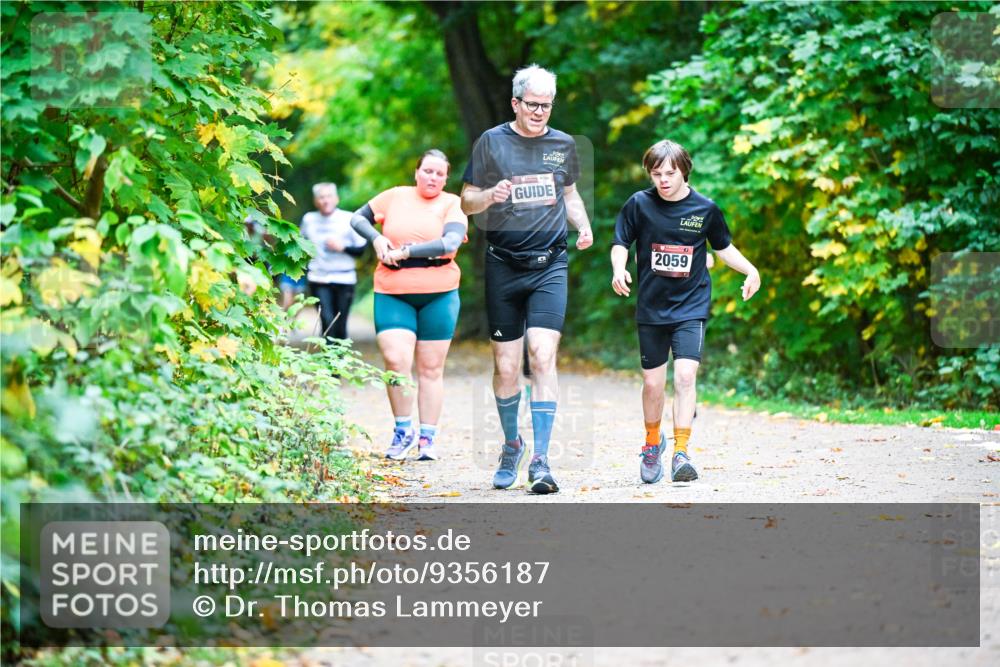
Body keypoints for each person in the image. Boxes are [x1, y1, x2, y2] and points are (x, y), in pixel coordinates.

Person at [461, 65, 593, 494]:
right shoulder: (491, 142)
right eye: (533, 104)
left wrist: (584, 226)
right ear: (515, 103)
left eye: (547, 105)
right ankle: (511, 445)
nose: (540, 112)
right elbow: (465, 201)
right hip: (503, 264)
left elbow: (569, 193)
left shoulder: (563, 144)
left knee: (542, 355)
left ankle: (541, 460)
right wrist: (489, 195)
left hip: (550, 264)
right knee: (506, 366)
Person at [611, 139, 760, 484]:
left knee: (685, 377)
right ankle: (652, 444)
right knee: (652, 385)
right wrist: (619, 269)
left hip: (691, 306)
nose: (662, 180)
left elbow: (723, 248)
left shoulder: (705, 209)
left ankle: (681, 451)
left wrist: (751, 270)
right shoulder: (639, 205)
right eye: (656, 173)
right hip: (651, 307)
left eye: (669, 173)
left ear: (684, 172)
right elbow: (620, 242)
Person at [351, 150, 468, 462]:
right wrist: (377, 241)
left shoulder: (451, 203)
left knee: (431, 368)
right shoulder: (395, 196)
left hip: (439, 294)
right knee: (395, 360)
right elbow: (357, 218)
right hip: (392, 291)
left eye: (439, 174)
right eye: (427, 171)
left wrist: (405, 251)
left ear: (446, 178)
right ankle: (403, 430)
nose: (432, 178)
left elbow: (450, 243)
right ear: (417, 172)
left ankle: (427, 437)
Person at [300, 183, 367, 343]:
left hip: (344, 278)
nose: (325, 200)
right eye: (321, 197)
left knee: (341, 325)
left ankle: (339, 361)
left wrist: (342, 247)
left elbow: (361, 250)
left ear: (336, 199)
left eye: (329, 196)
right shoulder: (309, 219)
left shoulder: (348, 218)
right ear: (316, 201)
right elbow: (300, 245)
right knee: (327, 320)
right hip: (319, 278)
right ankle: (328, 363)